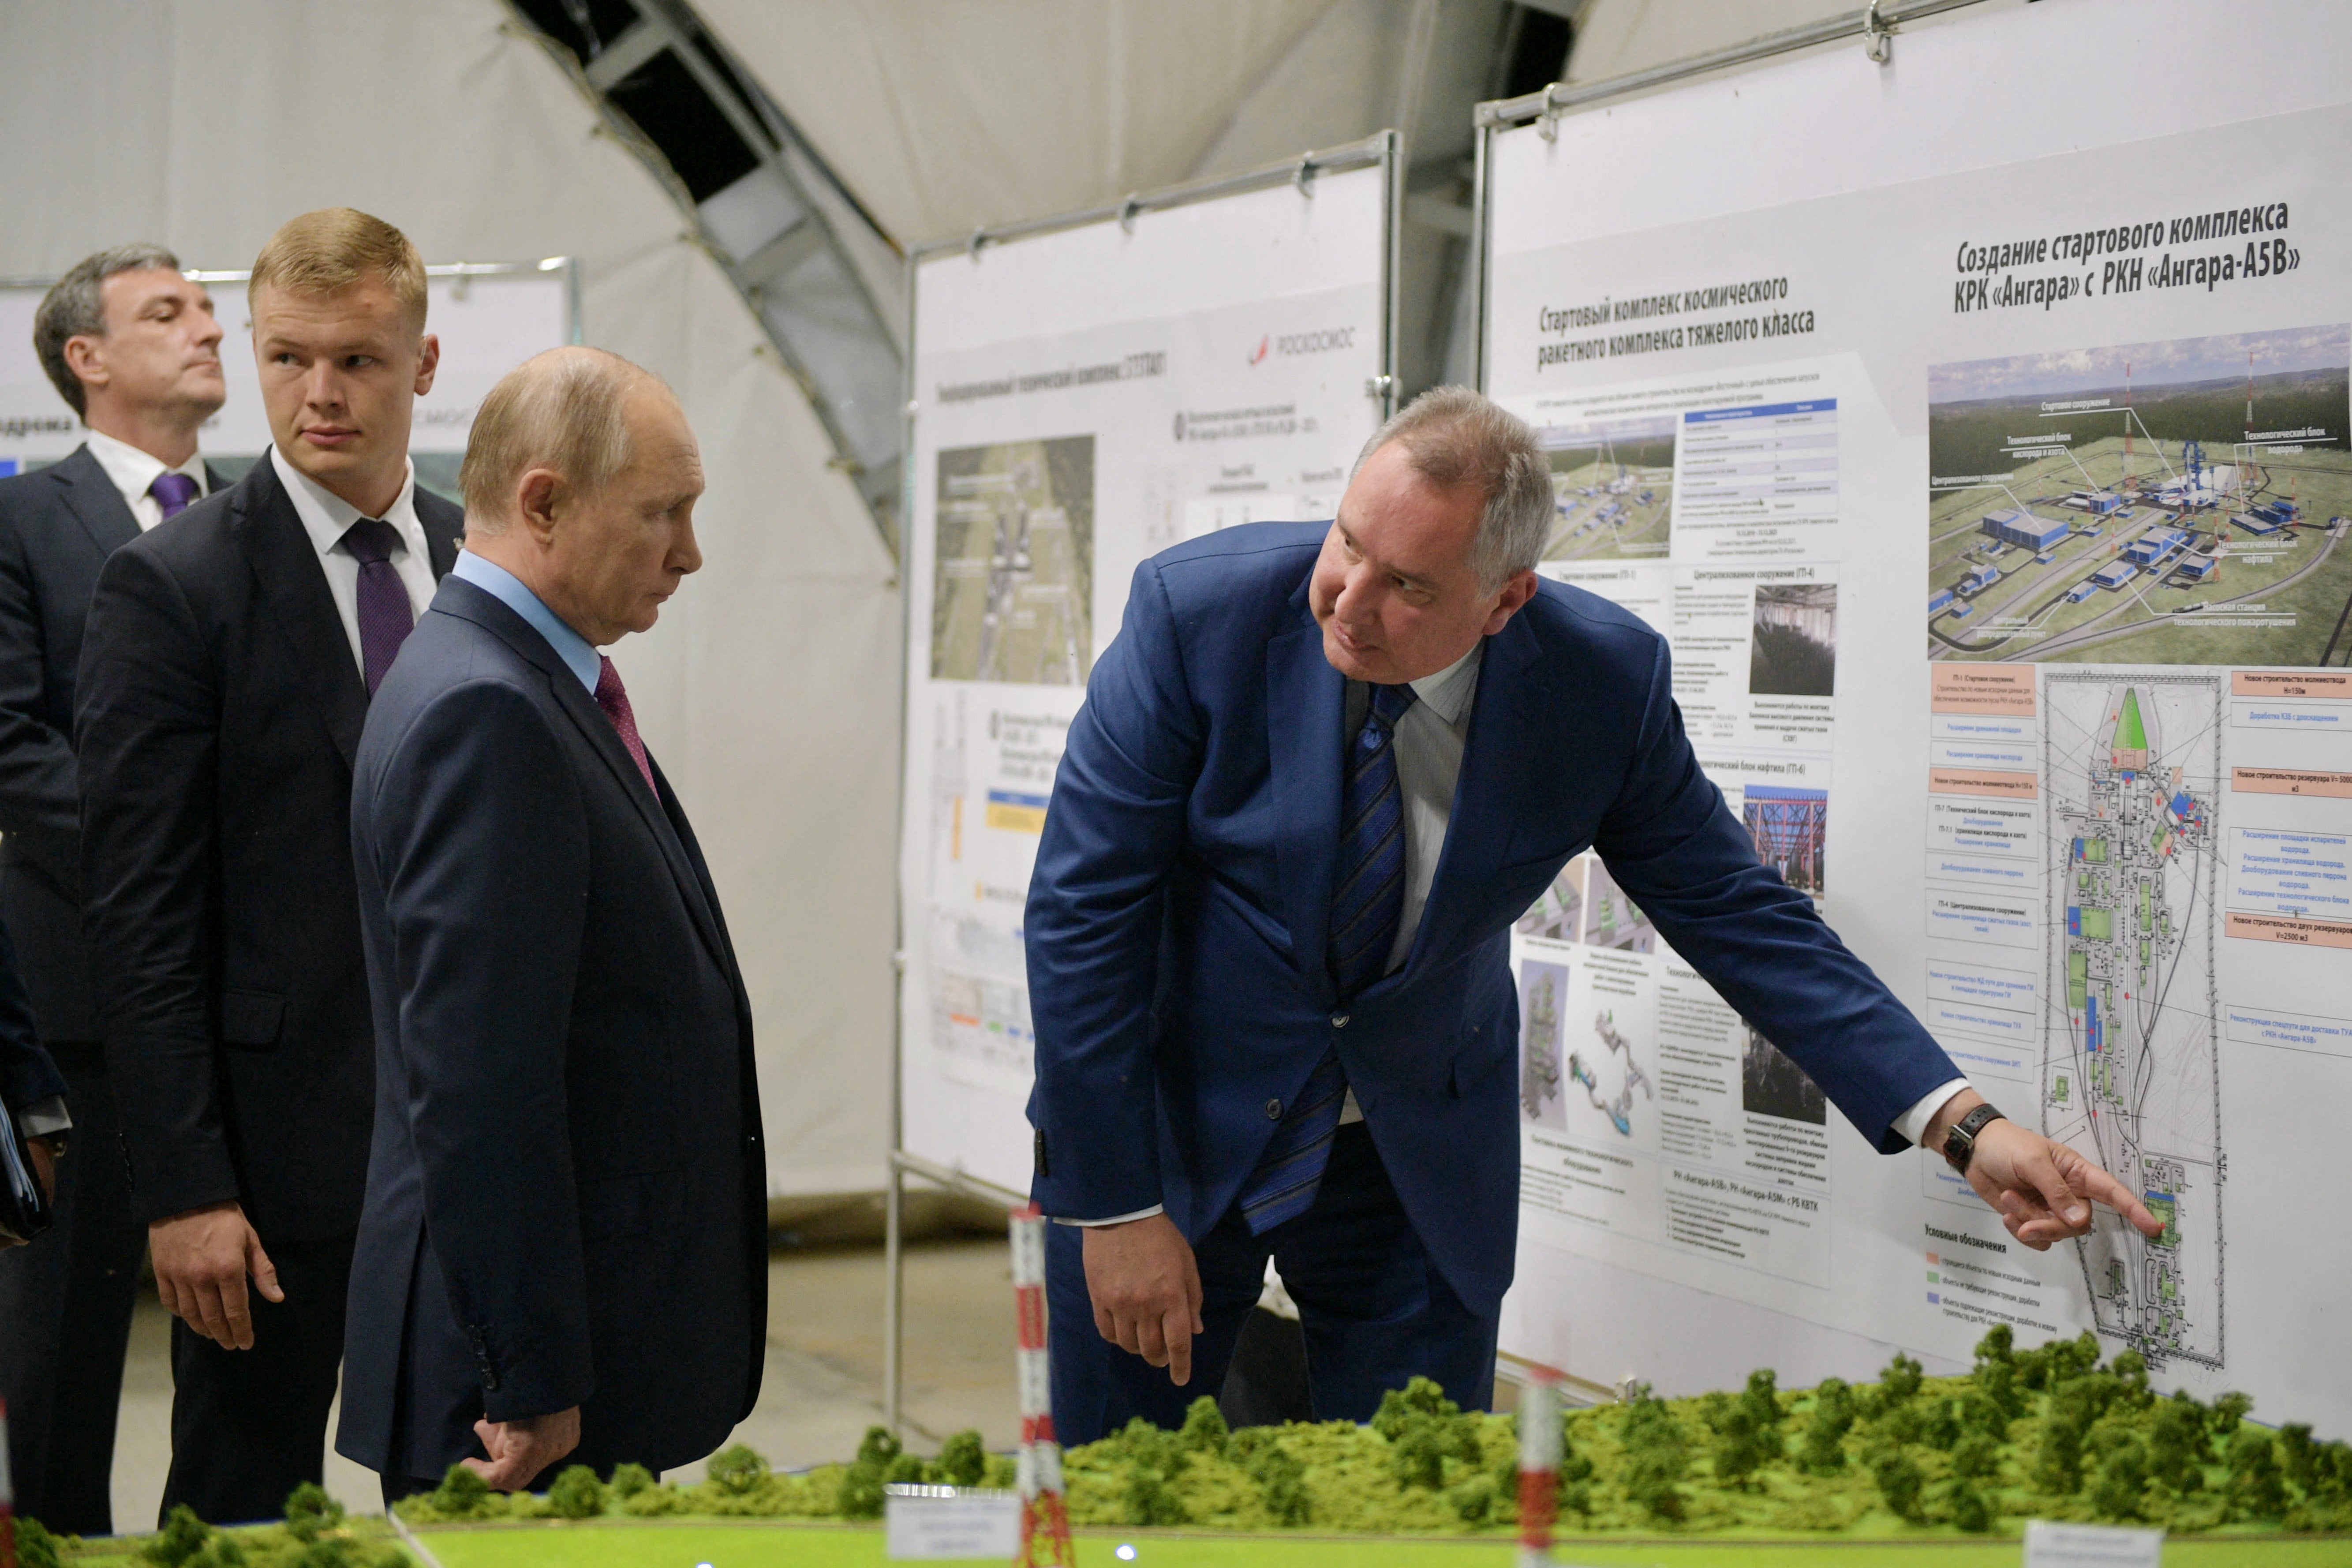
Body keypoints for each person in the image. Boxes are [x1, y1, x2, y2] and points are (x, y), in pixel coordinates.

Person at [1025, 387, 2161, 1442]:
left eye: (1410, 585)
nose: (1348, 603)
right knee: (1124, 1496)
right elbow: (1085, 910)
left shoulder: (1599, 686)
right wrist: (1113, 1203)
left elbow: (1734, 910)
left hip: (1416, 1155)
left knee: (1426, 1514)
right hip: (1169, 1135)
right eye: (1348, 544)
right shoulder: (1200, 616)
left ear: (1505, 600)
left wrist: (1964, 1126)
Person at [75, 209, 462, 1523]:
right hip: (271, 1166)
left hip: (475, 1150)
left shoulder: (487, 568)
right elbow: (142, 919)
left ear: (424, 361)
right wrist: (184, 1191)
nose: (320, 392)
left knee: (484, 1512)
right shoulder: (174, 585)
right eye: (290, 357)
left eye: (357, 358)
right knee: (244, 1513)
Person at [336, 347, 764, 1499]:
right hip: (519, 1392)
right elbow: (481, 1082)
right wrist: (528, 1371)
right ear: (544, 502)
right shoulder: (489, 709)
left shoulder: (513, 680)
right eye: (664, 513)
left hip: (560, 1346)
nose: (689, 552)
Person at [0, 244, 230, 1534]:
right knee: (68, 1331)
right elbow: (11, 741)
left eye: (206, 307)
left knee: (247, 1316)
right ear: (87, 357)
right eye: (170, 312)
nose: (209, 327)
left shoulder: (260, 517)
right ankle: (57, 1545)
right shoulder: (23, 522)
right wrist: (176, 841)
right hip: (80, 992)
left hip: (244, 995)